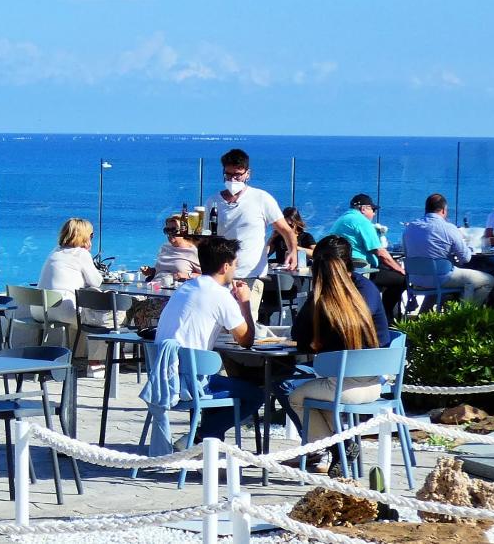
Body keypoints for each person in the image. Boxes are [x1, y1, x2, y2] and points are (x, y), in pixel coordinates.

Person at [287, 235, 387, 475]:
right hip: (376, 381)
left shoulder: (324, 300)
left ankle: (338, 447)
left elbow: (299, 335)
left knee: (296, 396)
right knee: (318, 396)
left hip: (344, 385)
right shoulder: (367, 289)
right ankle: (343, 447)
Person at [154, 236, 264, 441]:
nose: (235, 269)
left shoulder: (185, 288)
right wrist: (245, 303)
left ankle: (208, 443)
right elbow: (246, 340)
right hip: (190, 383)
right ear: (225, 266)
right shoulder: (220, 295)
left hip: (164, 376)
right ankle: (202, 436)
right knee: (255, 395)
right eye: (234, 265)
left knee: (224, 382)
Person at [204, 148, 298, 322]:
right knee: (217, 326)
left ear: (248, 174)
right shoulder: (213, 201)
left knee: (245, 325)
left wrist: (292, 252)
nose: (232, 179)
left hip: (250, 276)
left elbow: (286, 230)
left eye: (237, 175)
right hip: (219, 276)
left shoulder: (261, 198)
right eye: (228, 175)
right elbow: (206, 238)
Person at [35, 218, 114, 370]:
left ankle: (75, 357)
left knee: (80, 313)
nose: (92, 238)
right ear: (84, 236)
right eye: (91, 235)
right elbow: (96, 281)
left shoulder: (55, 251)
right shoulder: (81, 254)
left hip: (39, 308)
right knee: (98, 319)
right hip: (60, 308)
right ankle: (95, 365)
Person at [401, 193, 494, 307]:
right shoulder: (449, 228)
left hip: (415, 279)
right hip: (440, 278)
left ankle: (424, 315)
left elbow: (407, 253)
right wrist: (470, 247)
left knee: (437, 275)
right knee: (488, 280)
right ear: (444, 210)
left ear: (426, 209)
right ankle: (465, 315)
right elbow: (465, 258)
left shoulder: (410, 227)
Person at [327, 194, 407, 321]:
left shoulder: (342, 219)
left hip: (340, 268)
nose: (374, 214)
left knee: (387, 276)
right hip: (360, 269)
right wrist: (399, 269)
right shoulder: (361, 221)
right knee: (402, 279)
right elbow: (381, 253)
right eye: (373, 210)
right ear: (363, 209)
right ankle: (386, 317)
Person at [152, 214, 201, 280]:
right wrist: (150, 271)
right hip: (156, 287)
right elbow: (160, 271)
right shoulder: (165, 247)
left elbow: (207, 277)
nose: (170, 233)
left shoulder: (193, 251)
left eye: (174, 230)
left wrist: (188, 275)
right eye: (167, 230)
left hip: (177, 289)